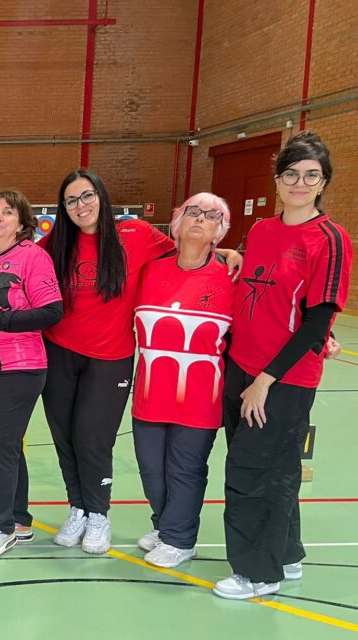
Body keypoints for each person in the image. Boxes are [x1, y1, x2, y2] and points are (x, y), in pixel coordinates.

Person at [214, 131, 352, 600]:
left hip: (281, 380)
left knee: (253, 473)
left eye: (310, 175)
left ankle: (259, 573)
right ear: (277, 180)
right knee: (272, 466)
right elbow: (258, 288)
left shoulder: (330, 240)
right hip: (240, 366)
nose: (299, 182)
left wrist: (265, 381)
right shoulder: (262, 230)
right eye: (291, 173)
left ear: (323, 182)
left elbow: (317, 324)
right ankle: (287, 554)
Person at [40, 169, 176, 554]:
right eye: (71, 200)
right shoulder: (55, 243)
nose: (80, 206)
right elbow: (17, 259)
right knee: (65, 436)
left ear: (101, 196)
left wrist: (227, 254)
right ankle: (78, 508)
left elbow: (186, 256)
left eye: (87, 196)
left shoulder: (136, 235)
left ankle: (99, 514)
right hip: (59, 351)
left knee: (93, 439)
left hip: (110, 358)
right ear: (62, 208)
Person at [132, 194, 236, 568]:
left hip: (200, 399)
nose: (200, 219)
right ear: (177, 222)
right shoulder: (150, 271)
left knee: (185, 470)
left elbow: (259, 323)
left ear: (219, 232)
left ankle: (180, 538)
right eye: (193, 212)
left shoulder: (230, 276)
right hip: (149, 395)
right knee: (151, 471)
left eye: (212, 216)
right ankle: (165, 525)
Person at [0, 190, 63, 561]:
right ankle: (18, 519)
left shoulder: (33, 257)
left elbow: (52, 311)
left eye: (8, 213)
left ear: (22, 223)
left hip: (19, 367)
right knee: (7, 446)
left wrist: (1, 321)